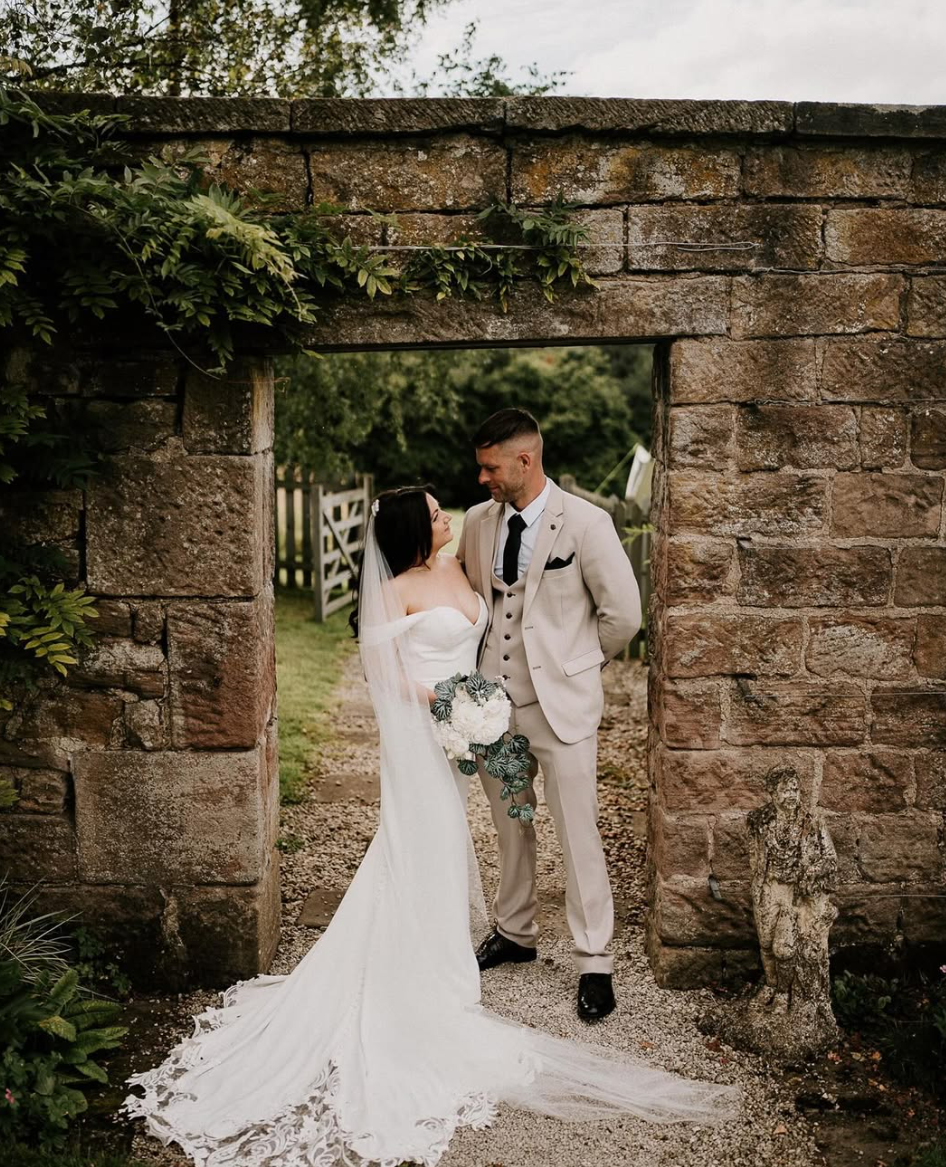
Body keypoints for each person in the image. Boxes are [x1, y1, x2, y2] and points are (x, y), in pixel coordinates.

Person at [123, 486, 736, 1167]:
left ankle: (445, 958)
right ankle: (420, 972)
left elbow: (492, 629)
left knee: (450, 847)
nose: (451, 517)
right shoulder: (398, 589)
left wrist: (478, 704)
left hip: (459, 733)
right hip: (421, 736)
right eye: (439, 512)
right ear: (418, 527)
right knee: (424, 841)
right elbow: (382, 670)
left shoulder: (457, 568)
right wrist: (451, 700)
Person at [458, 408, 640, 1022]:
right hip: (492, 709)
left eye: (490, 467)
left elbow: (624, 617)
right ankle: (515, 932)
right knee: (511, 824)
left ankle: (594, 960)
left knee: (577, 833)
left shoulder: (588, 524)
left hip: (560, 711)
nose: (482, 478)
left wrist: (578, 666)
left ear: (524, 461)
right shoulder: (478, 525)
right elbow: (474, 604)